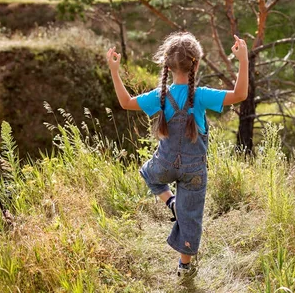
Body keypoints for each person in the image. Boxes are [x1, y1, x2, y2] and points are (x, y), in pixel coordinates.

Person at [106, 31, 249, 278]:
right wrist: (243, 60)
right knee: (190, 217)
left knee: (149, 174)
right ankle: (184, 265)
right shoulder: (201, 95)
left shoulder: (160, 96)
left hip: (165, 164)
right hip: (194, 170)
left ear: (167, 64)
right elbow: (240, 95)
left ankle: (170, 202)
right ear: (196, 62)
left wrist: (114, 71)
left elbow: (126, 102)